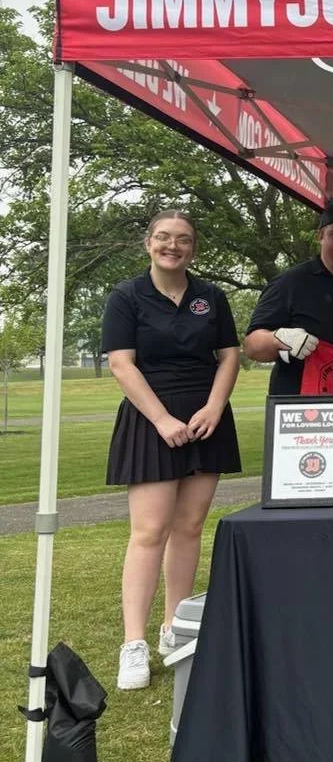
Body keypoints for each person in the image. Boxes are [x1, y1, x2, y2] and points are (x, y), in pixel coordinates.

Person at [103, 209, 241, 691]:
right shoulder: (126, 296)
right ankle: (134, 643)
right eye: (163, 237)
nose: (172, 246)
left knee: (189, 527)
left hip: (205, 419)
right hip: (151, 419)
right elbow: (121, 365)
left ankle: (174, 629)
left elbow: (229, 355)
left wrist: (215, 407)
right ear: (148, 243)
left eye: (183, 239)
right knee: (149, 532)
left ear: (193, 248)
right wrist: (161, 419)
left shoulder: (211, 296)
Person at [244, 201, 333, 478]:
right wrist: (278, 338)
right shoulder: (290, 283)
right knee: (307, 502)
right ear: (320, 237)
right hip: (302, 430)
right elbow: (252, 345)